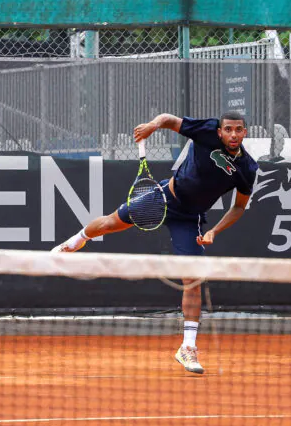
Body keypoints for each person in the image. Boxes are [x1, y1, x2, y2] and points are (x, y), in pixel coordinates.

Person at [51, 112, 259, 375]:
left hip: (189, 219)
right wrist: (151, 126)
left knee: (193, 279)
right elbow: (169, 119)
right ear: (219, 132)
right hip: (164, 198)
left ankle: (188, 348)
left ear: (245, 133)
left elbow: (239, 207)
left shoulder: (247, 169)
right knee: (108, 224)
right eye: (228, 129)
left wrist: (215, 231)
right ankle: (74, 242)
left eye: (238, 130)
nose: (233, 134)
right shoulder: (206, 131)